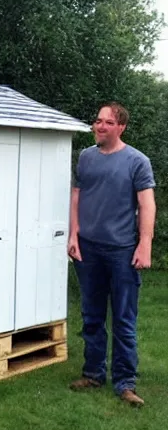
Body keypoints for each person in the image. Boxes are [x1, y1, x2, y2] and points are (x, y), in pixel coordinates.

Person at [67, 101, 156, 407]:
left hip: (121, 251)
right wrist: (74, 235)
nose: (100, 126)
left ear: (121, 127)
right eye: (97, 121)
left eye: (107, 122)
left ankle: (125, 383)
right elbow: (76, 198)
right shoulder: (86, 158)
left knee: (123, 320)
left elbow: (147, 204)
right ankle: (93, 374)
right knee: (91, 316)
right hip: (88, 249)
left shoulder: (137, 161)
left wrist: (145, 244)